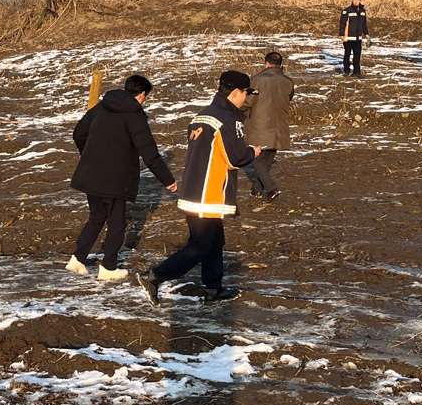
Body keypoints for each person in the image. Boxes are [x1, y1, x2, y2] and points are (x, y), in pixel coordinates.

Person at [138, 71, 260, 305]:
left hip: (195, 189)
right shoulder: (228, 119)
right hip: (209, 193)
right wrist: (251, 152)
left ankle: (214, 289)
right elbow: (235, 158)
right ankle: (154, 276)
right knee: (200, 246)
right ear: (236, 93)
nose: (246, 99)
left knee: (214, 242)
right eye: (246, 93)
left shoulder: (201, 116)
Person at [67, 74, 178, 281]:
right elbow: (150, 154)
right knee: (117, 223)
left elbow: (78, 134)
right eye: (146, 97)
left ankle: (77, 259)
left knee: (96, 217)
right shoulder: (134, 116)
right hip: (115, 179)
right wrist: (168, 181)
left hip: (91, 174)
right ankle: (108, 267)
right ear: (142, 94)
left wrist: (90, 156)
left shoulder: (102, 106)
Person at [244, 50, 295, 200]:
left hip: (260, 124)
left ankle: (271, 189)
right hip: (280, 125)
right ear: (280, 65)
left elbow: (249, 101)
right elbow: (289, 97)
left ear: (266, 63)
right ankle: (257, 189)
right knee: (267, 159)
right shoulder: (288, 81)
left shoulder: (258, 79)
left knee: (257, 159)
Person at [338, 0, 369, 76]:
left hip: (358, 38)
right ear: (352, 0)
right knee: (347, 54)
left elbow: (364, 24)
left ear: (360, 1)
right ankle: (346, 71)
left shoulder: (363, 11)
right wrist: (342, 35)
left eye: (358, 0)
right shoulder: (346, 11)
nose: (356, 1)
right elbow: (342, 23)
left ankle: (357, 72)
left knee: (357, 56)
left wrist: (366, 33)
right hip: (348, 37)